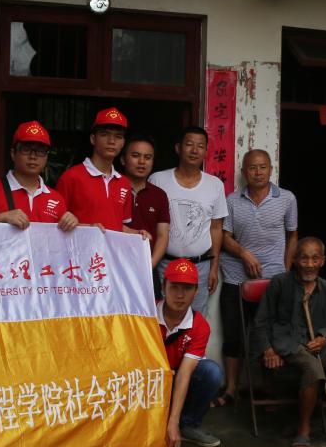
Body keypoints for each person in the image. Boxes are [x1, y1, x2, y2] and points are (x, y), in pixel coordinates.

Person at [250, 237, 326, 447]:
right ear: (294, 260)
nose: (309, 264)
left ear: (322, 261)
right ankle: (304, 429)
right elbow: (261, 321)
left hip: (320, 345)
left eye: (314, 259)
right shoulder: (280, 283)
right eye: (304, 258)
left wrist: (324, 338)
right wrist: (268, 349)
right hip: (289, 344)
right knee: (313, 369)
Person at [216, 149, 298, 407]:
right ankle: (231, 388)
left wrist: (285, 271)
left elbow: (293, 235)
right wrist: (243, 253)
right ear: (244, 172)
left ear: (271, 170)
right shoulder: (232, 200)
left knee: (270, 335)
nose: (258, 172)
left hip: (272, 281)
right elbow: (224, 237)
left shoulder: (287, 198)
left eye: (263, 167)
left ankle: (267, 388)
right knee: (234, 334)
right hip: (235, 278)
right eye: (252, 168)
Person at [149, 127, 228, 315]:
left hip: (200, 266)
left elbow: (216, 228)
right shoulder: (158, 180)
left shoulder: (215, 185)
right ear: (178, 148)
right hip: (165, 264)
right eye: (189, 144)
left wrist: (214, 267)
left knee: (196, 318)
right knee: (161, 316)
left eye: (200, 146)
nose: (194, 150)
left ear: (206, 151)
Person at [0, 120, 78, 231]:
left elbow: (62, 240)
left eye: (40, 151)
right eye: (26, 149)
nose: (33, 156)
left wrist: (72, 225)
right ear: (13, 154)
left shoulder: (56, 199)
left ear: (46, 156)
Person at [160, 259, 224, 447]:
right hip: (152, 377)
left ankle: (188, 424)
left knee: (212, 372)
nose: (180, 295)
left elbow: (185, 373)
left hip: (179, 376)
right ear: (163, 287)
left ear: (196, 291)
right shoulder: (145, 314)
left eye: (187, 288)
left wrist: (173, 423)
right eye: (174, 287)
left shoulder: (200, 325)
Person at [57, 107, 146, 237]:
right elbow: (56, 224)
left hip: (112, 250)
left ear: (123, 143)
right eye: (104, 134)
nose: (111, 141)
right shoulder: (71, 177)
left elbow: (117, 226)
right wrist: (88, 228)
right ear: (93, 139)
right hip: (82, 249)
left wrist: (136, 233)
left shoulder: (124, 183)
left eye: (118, 136)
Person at [120, 135, 170, 271]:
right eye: (135, 156)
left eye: (148, 157)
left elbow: (163, 235)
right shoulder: (111, 188)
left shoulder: (159, 195)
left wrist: (150, 265)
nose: (142, 162)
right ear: (123, 159)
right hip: (113, 265)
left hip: (146, 266)